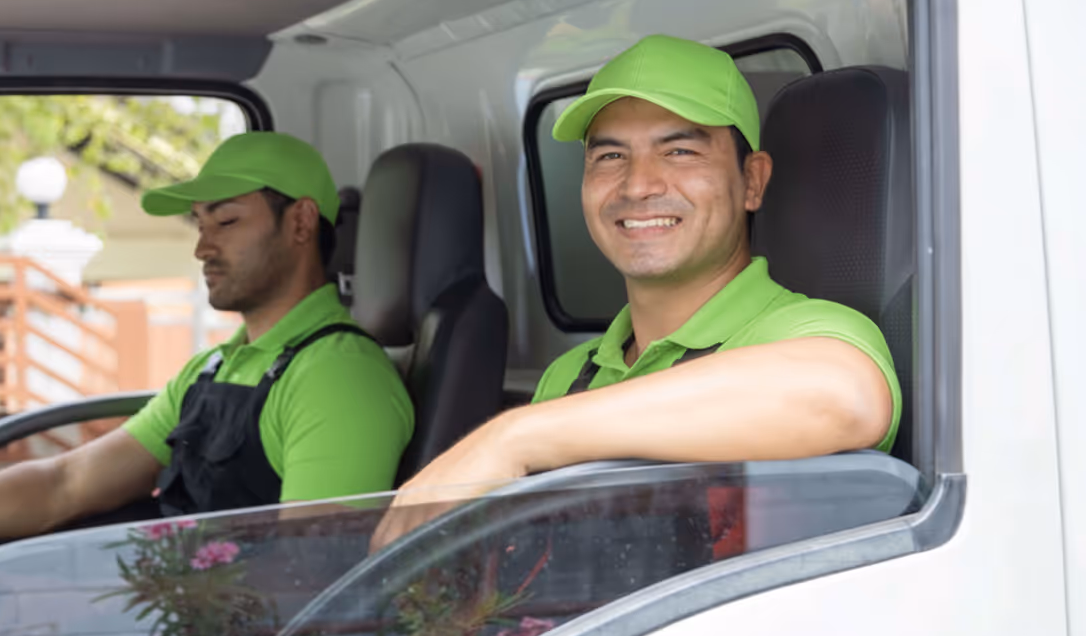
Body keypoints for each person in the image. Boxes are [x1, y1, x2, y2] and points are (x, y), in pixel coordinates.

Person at [370, 35, 901, 550]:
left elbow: (845, 396)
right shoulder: (570, 375)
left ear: (752, 182)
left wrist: (512, 438)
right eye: (610, 157)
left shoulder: (805, 333)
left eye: (680, 150)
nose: (638, 185)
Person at [0, 132, 415, 541]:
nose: (202, 245)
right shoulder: (215, 367)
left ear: (301, 221)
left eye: (225, 220)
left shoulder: (336, 377)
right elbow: (64, 485)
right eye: (199, 223)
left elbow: (311, 583)